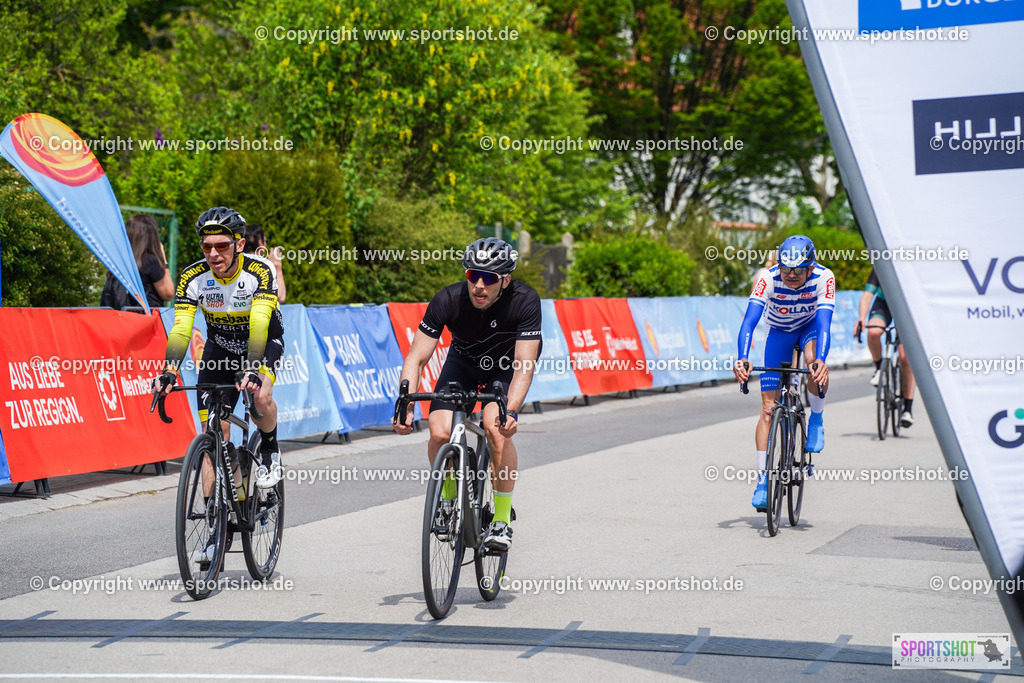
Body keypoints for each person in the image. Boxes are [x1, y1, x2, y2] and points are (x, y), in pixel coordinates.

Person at [152, 207, 285, 559]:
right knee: (213, 438)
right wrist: (169, 371)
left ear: (239, 244)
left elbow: (259, 323)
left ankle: (269, 449)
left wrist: (255, 369)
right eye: (206, 246)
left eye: (222, 246)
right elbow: (181, 328)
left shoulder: (260, 270)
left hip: (262, 342)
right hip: (219, 349)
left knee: (259, 398)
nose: (213, 254)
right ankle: (217, 525)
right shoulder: (193, 278)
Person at [393, 238, 542, 551]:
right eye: (473, 274)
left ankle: (501, 520)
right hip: (462, 366)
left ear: (505, 280)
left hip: (503, 370)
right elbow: (416, 358)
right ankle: (447, 499)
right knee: (439, 432)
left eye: (488, 278)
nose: (478, 284)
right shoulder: (448, 298)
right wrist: (404, 403)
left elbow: (524, 365)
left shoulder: (525, 300)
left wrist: (511, 411)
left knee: (496, 430)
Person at [733, 235, 835, 512]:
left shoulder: (824, 278)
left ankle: (816, 418)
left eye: (798, 270)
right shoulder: (768, 278)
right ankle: (764, 481)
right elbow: (749, 321)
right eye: (786, 269)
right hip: (778, 332)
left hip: (810, 327)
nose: (790, 275)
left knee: (813, 363)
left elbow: (825, 322)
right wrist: (742, 357)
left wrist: (821, 362)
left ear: (810, 268)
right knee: (768, 407)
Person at [853, 267, 916, 427]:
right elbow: (867, 297)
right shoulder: (881, 266)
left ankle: (907, 408)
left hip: (908, 307)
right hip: (884, 304)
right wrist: (861, 318)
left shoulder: (912, 267)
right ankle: (879, 368)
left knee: (905, 359)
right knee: (873, 332)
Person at [100, 214, 174, 309]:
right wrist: (164, 261)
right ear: (151, 237)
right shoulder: (149, 261)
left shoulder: (119, 262)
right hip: (146, 320)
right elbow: (168, 294)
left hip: (122, 318)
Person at [243, 224, 287, 303]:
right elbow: (280, 297)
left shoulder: (234, 261)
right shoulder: (265, 265)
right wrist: (277, 267)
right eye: (265, 240)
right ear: (260, 242)